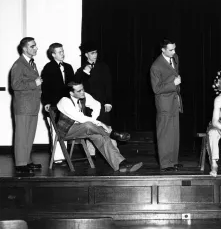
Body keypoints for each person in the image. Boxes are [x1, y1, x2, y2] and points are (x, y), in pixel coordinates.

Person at [56, 81, 143, 173]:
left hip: (84, 128)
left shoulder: (83, 96)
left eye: (83, 89)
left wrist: (94, 120)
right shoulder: (64, 101)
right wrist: (100, 124)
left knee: (100, 136)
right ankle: (112, 133)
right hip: (66, 131)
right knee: (88, 125)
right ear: (71, 93)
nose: (83, 92)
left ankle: (121, 164)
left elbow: (96, 104)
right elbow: (80, 118)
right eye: (79, 91)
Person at [74, 42, 130, 145]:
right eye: (92, 53)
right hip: (89, 104)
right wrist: (85, 72)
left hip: (102, 102)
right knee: (91, 126)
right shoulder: (81, 69)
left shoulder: (103, 67)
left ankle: (114, 153)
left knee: (107, 126)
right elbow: (75, 83)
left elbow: (108, 85)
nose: (95, 55)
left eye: (96, 52)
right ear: (86, 55)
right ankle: (91, 154)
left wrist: (108, 102)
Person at [150, 39, 183, 172]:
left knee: (174, 132)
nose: (174, 52)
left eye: (174, 48)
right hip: (164, 104)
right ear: (163, 50)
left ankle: (173, 161)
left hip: (174, 101)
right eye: (171, 49)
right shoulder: (156, 66)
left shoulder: (175, 58)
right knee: (164, 133)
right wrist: (173, 84)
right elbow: (156, 89)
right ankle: (165, 163)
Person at [10, 37, 42, 174]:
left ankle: (26, 161)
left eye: (35, 46)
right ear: (24, 48)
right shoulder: (19, 64)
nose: (36, 48)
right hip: (23, 106)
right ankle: (20, 164)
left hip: (32, 105)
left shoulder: (30, 63)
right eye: (32, 46)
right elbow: (15, 85)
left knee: (29, 135)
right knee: (22, 135)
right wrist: (34, 83)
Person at [41, 43, 75, 164]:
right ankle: (57, 157)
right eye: (59, 52)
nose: (62, 54)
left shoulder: (69, 67)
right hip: (54, 105)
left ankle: (65, 156)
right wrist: (46, 102)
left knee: (64, 129)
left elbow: (73, 85)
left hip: (66, 105)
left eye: (63, 51)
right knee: (55, 131)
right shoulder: (48, 68)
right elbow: (45, 88)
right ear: (53, 54)